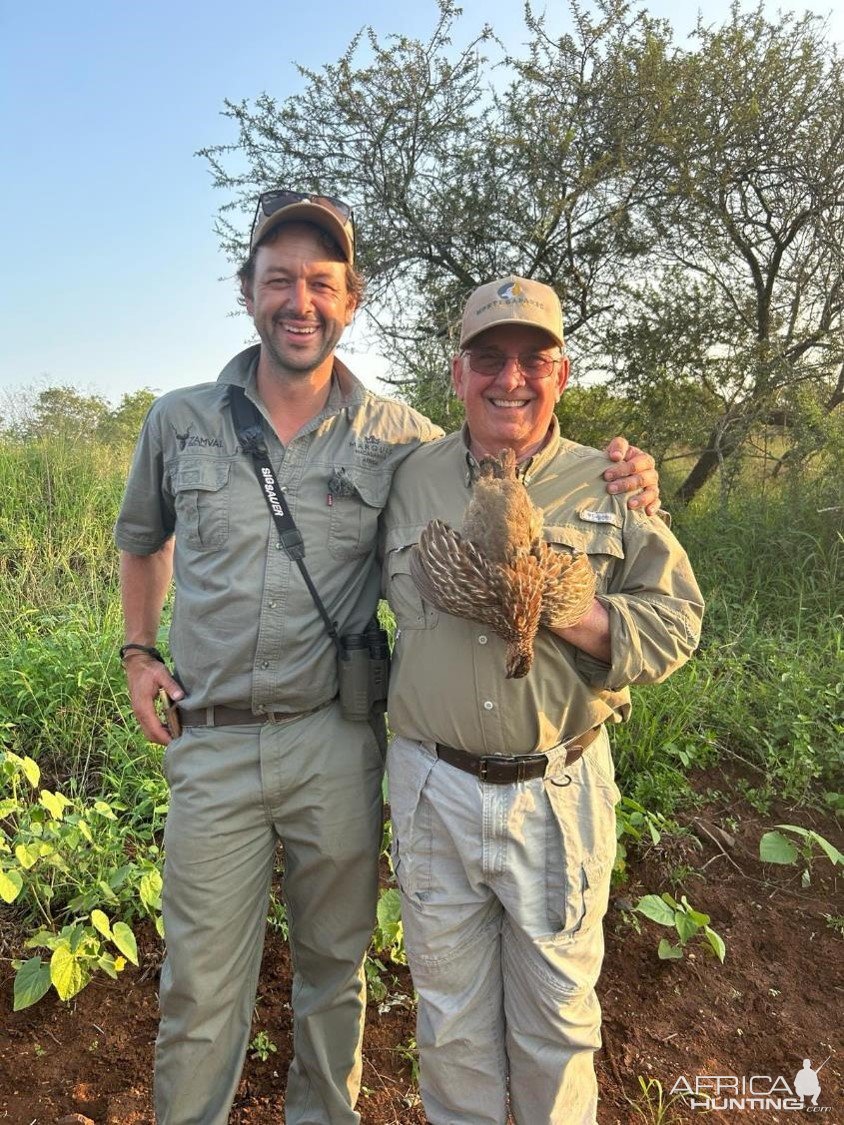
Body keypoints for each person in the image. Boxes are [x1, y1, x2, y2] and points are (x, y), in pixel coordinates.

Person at [115, 192, 661, 1125]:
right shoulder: (180, 421)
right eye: (279, 279)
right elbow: (143, 537)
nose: (300, 301)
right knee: (199, 992)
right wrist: (137, 650)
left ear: (351, 299)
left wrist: (627, 473)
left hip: (338, 741)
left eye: (321, 284)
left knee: (336, 977)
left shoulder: (402, 442)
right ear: (247, 292)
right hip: (210, 741)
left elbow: (500, 447)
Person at [382, 276, 705, 1125]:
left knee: (558, 1026)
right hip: (432, 789)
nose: (510, 379)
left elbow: (675, 623)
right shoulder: (406, 476)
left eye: (534, 359)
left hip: (557, 792)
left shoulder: (612, 484)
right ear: (456, 373)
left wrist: (567, 607)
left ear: (563, 373)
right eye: (488, 358)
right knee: (449, 1027)